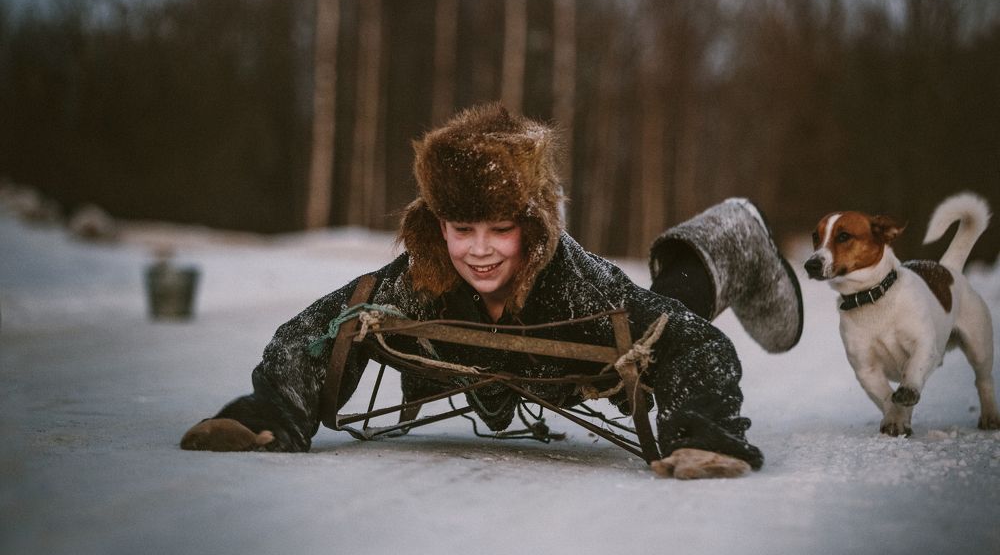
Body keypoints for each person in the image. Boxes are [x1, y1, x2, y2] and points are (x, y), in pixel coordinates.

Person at [180, 103, 803, 479]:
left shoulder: (578, 283)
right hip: (492, 366)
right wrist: (268, 415)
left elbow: (694, 347)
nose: (479, 250)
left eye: (500, 230)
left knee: (666, 314)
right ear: (436, 226)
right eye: (461, 230)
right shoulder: (419, 277)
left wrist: (700, 434)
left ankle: (728, 235)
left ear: (528, 226)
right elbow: (318, 334)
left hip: (580, 359)